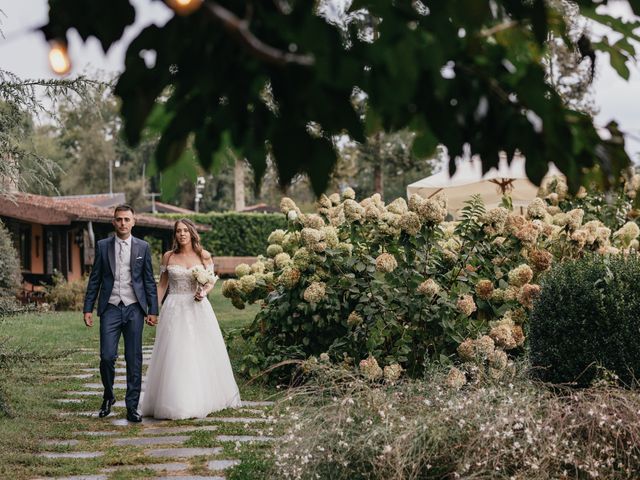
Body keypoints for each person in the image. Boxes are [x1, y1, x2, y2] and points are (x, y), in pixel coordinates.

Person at [141, 218, 242, 419]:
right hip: (174, 307)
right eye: (178, 231)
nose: (182, 234)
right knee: (175, 351)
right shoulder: (168, 257)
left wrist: (203, 292)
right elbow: (162, 285)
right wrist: (153, 309)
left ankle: (203, 397)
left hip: (197, 307)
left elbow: (211, 281)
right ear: (175, 235)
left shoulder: (203, 255)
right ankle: (172, 400)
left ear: (192, 233)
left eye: (185, 230)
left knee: (199, 350)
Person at [83, 204, 159, 423]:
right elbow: (95, 278)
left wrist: (152, 310)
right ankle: (108, 395)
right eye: (119, 219)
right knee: (107, 356)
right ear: (113, 222)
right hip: (110, 308)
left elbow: (148, 281)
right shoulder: (103, 245)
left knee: (133, 358)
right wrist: (88, 307)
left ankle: (132, 406)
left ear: (133, 222)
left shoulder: (142, 247)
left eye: (127, 219)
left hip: (135, 308)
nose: (123, 223)